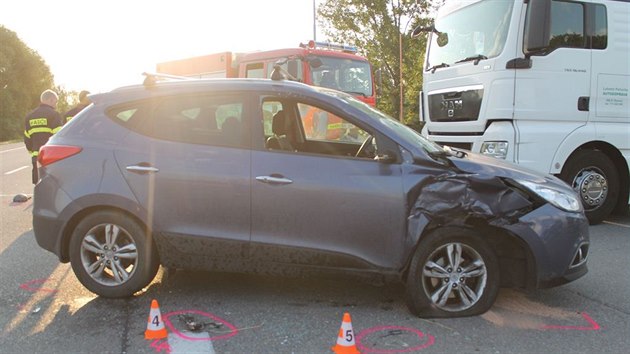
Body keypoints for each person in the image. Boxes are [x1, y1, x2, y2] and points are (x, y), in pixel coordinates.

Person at [24, 89, 63, 184]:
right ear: (51, 100)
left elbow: (27, 138)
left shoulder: (30, 116)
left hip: (36, 156)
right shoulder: (54, 114)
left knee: (38, 184)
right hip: (51, 156)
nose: (56, 104)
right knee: (51, 185)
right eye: (56, 102)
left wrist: (33, 151)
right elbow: (59, 136)